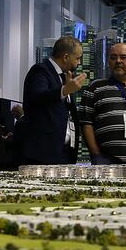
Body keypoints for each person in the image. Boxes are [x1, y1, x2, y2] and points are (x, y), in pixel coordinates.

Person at [19, 36, 86, 165]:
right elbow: (38, 95)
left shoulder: (63, 77)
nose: (79, 63)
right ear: (66, 57)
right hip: (44, 154)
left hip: (63, 151)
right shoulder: (41, 70)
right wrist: (65, 90)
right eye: (77, 58)